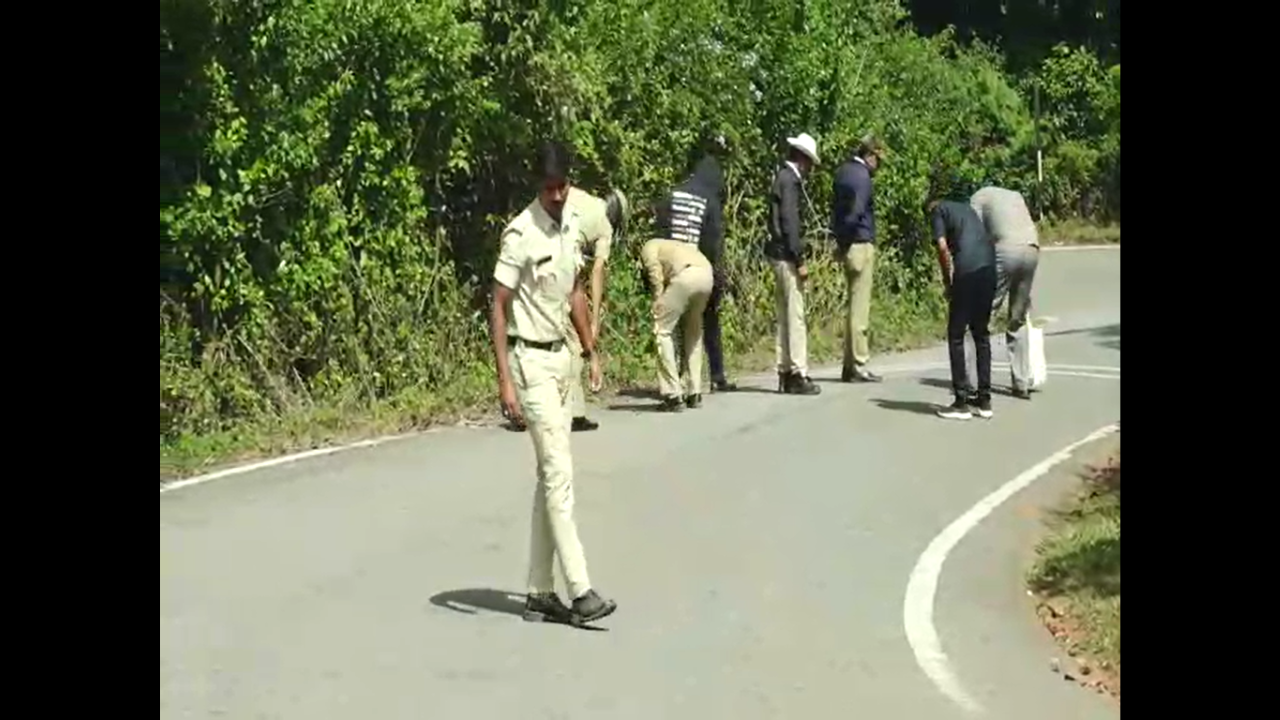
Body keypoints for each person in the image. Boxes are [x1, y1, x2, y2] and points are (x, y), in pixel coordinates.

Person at [489, 141, 617, 625]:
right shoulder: (520, 234)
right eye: (548, 187)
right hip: (530, 363)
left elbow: (576, 292)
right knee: (561, 475)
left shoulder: (571, 226)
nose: (557, 194)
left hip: (563, 361)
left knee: (549, 477)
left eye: (562, 185)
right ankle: (580, 589)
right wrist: (504, 381)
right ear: (537, 187)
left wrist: (590, 351)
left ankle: (539, 591)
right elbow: (498, 305)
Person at [653, 149, 736, 392]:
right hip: (699, 267)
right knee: (706, 321)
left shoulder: (672, 194)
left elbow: (661, 232)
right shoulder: (709, 200)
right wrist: (717, 275)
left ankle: (675, 377)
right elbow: (712, 243)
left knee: (672, 325)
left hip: (672, 267)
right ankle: (715, 376)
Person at [559, 185, 628, 431]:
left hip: (539, 251)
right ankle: (575, 413)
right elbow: (597, 271)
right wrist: (594, 319)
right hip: (564, 263)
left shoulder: (581, 195)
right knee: (577, 343)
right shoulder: (606, 226)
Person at [924, 193, 999, 420]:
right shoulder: (967, 210)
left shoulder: (937, 211)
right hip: (989, 269)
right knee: (981, 334)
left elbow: (942, 248)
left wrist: (948, 282)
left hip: (967, 272)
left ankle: (961, 402)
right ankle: (984, 401)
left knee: (956, 335)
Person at [763, 133, 821, 395]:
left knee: (783, 315)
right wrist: (800, 259)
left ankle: (784, 370)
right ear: (803, 159)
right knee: (795, 316)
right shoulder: (790, 182)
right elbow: (789, 223)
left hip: (776, 253)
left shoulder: (781, 178)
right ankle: (798, 371)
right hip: (786, 255)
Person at [970, 185, 1040, 399]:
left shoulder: (978, 198)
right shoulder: (1015, 195)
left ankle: (973, 381)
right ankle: (1021, 382)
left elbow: (974, 237)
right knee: (1017, 318)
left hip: (1006, 250)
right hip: (1032, 248)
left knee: (982, 315)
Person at [830, 135, 887, 383]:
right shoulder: (863, 177)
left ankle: (848, 364)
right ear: (871, 155)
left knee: (850, 306)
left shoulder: (842, 172)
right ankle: (858, 364)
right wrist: (850, 238)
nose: (879, 168)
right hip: (861, 243)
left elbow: (836, 212)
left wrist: (840, 242)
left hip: (846, 244)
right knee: (860, 308)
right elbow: (856, 211)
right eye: (879, 161)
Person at [639, 236, 715, 410]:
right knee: (694, 331)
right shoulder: (675, 246)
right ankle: (694, 391)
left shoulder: (649, 246)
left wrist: (657, 298)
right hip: (706, 274)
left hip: (685, 276)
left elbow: (654, 270)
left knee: (662, 330)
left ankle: (673, 394)